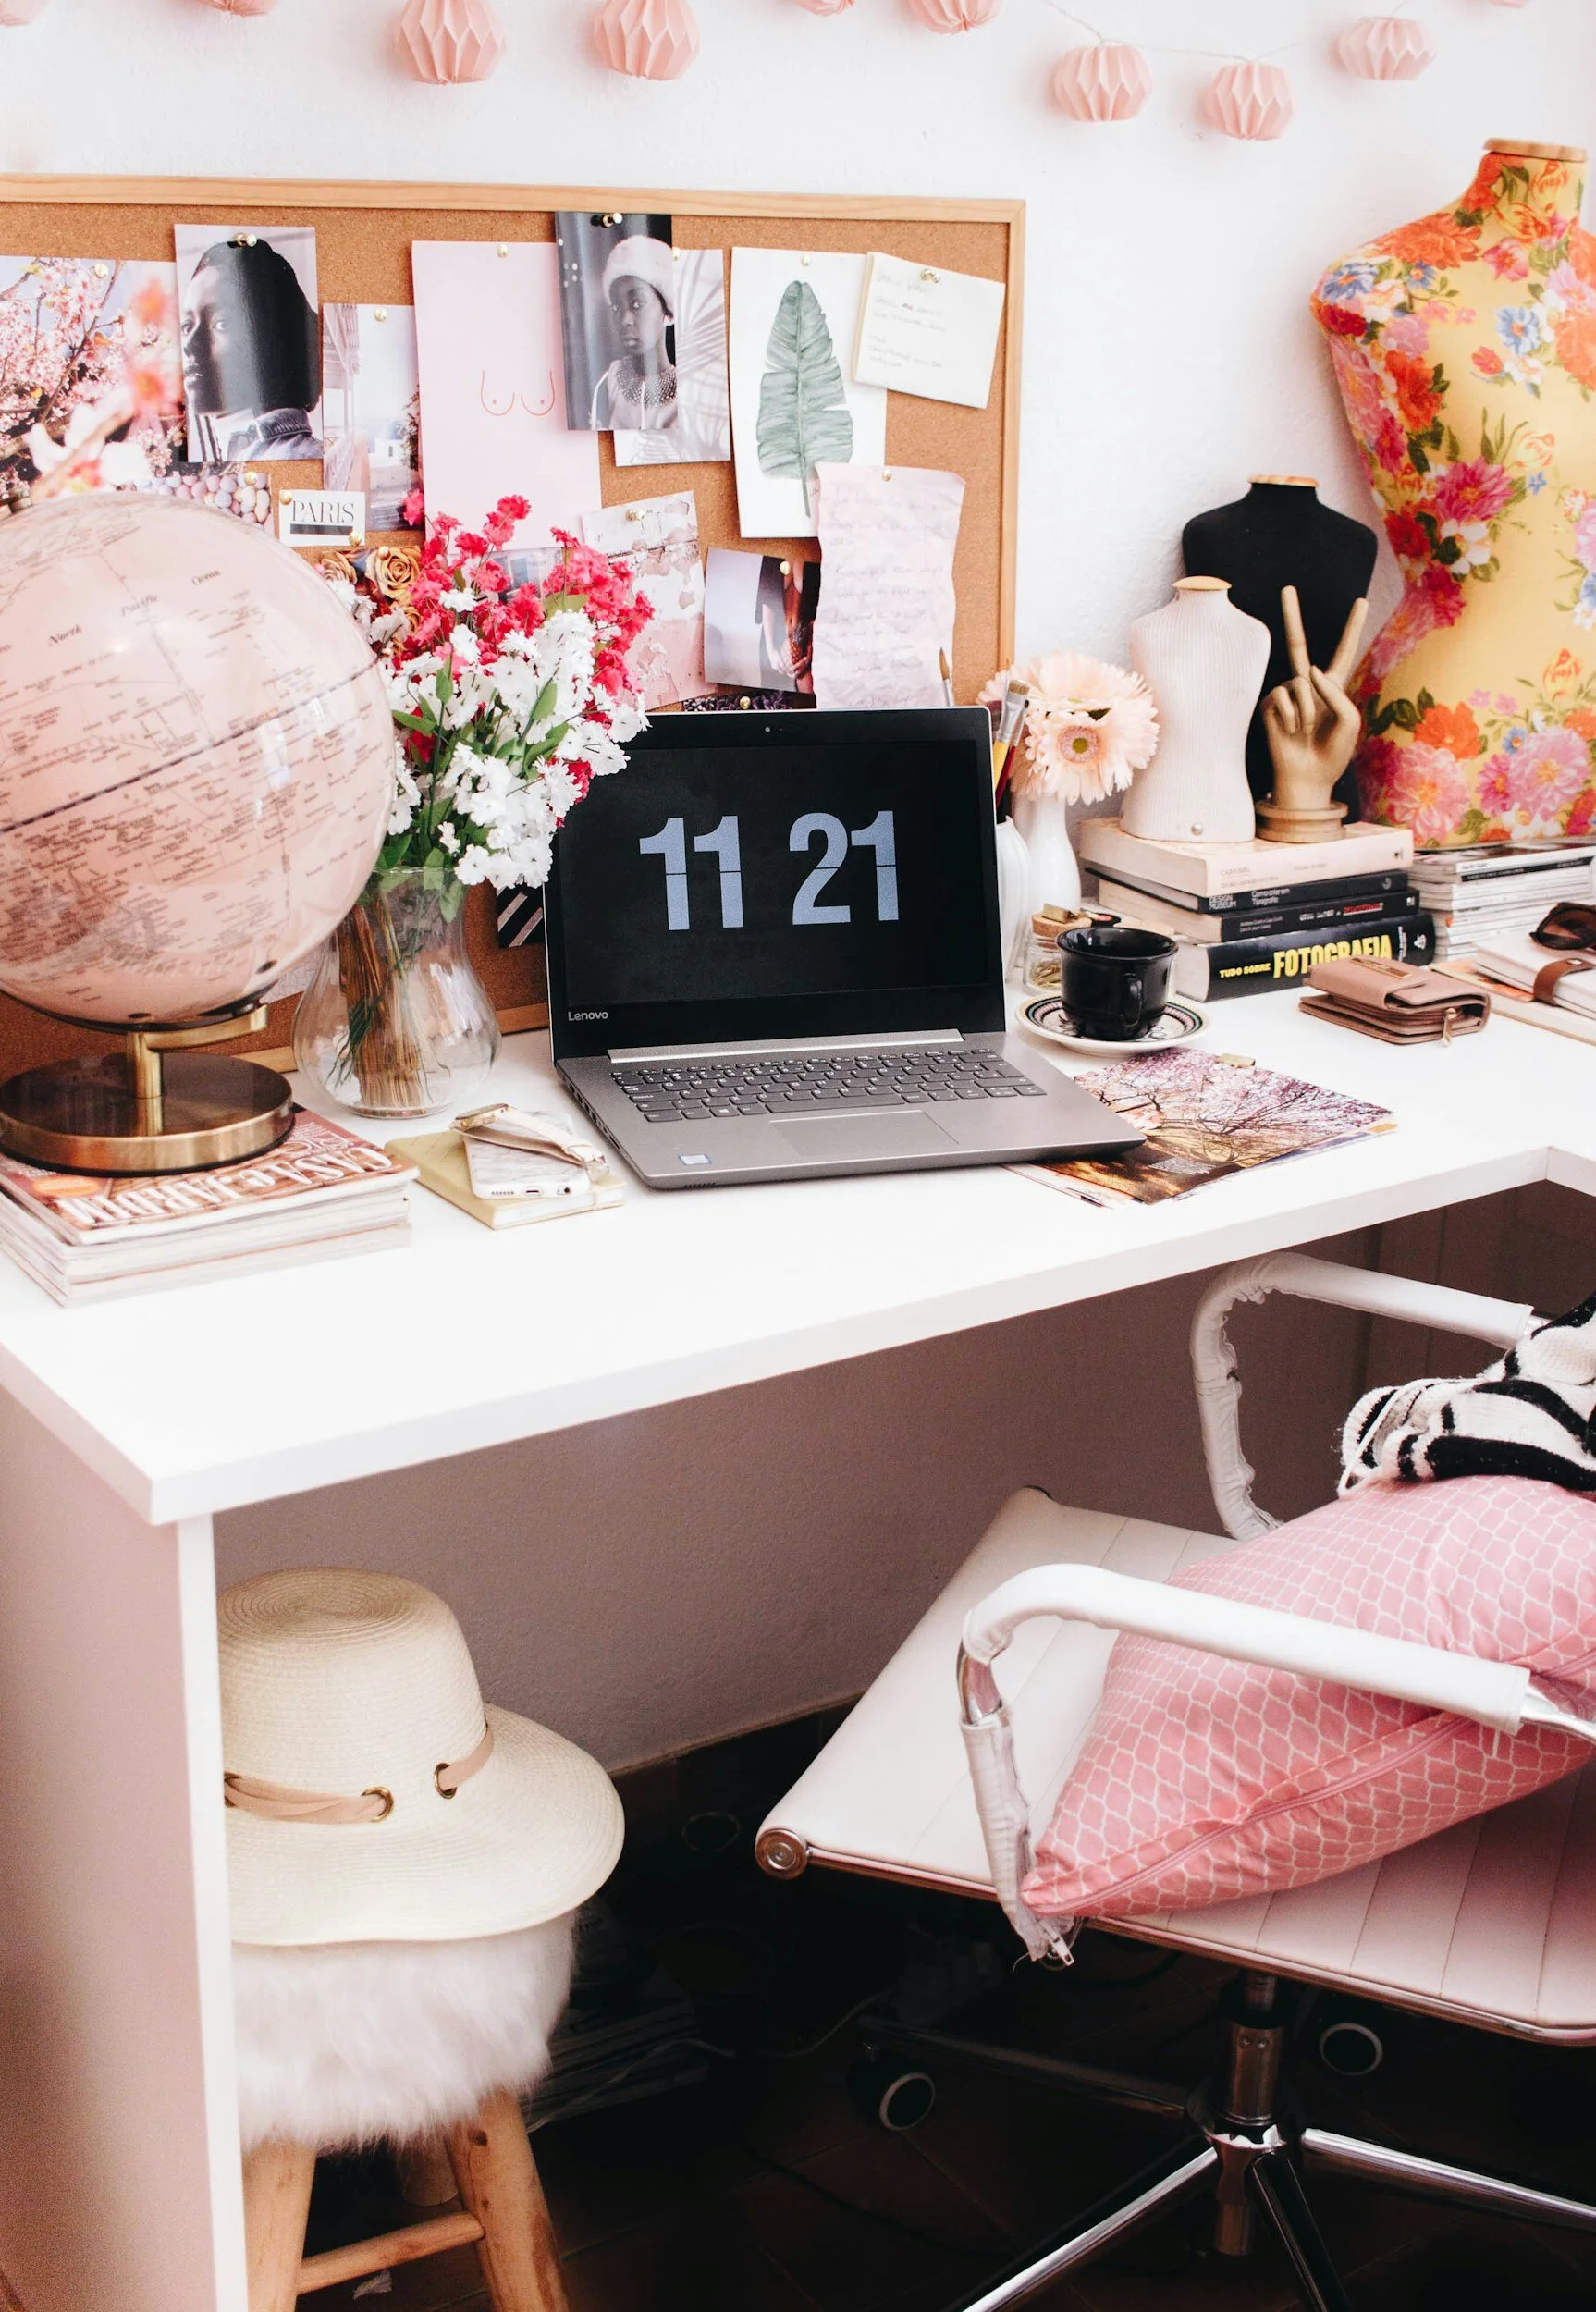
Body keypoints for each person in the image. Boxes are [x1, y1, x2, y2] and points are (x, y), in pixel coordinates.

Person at [181, 236, 321, 461]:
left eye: (222, 323)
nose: (189, 344)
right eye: (187, 326)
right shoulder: (217, 453)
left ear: (272, 337)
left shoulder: (299, 456)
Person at [588, 235, 678, 434]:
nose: (624, 320)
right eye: (616, 306)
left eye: (637, 304)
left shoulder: (688, 396)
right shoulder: (610, 382)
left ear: (667, 310)